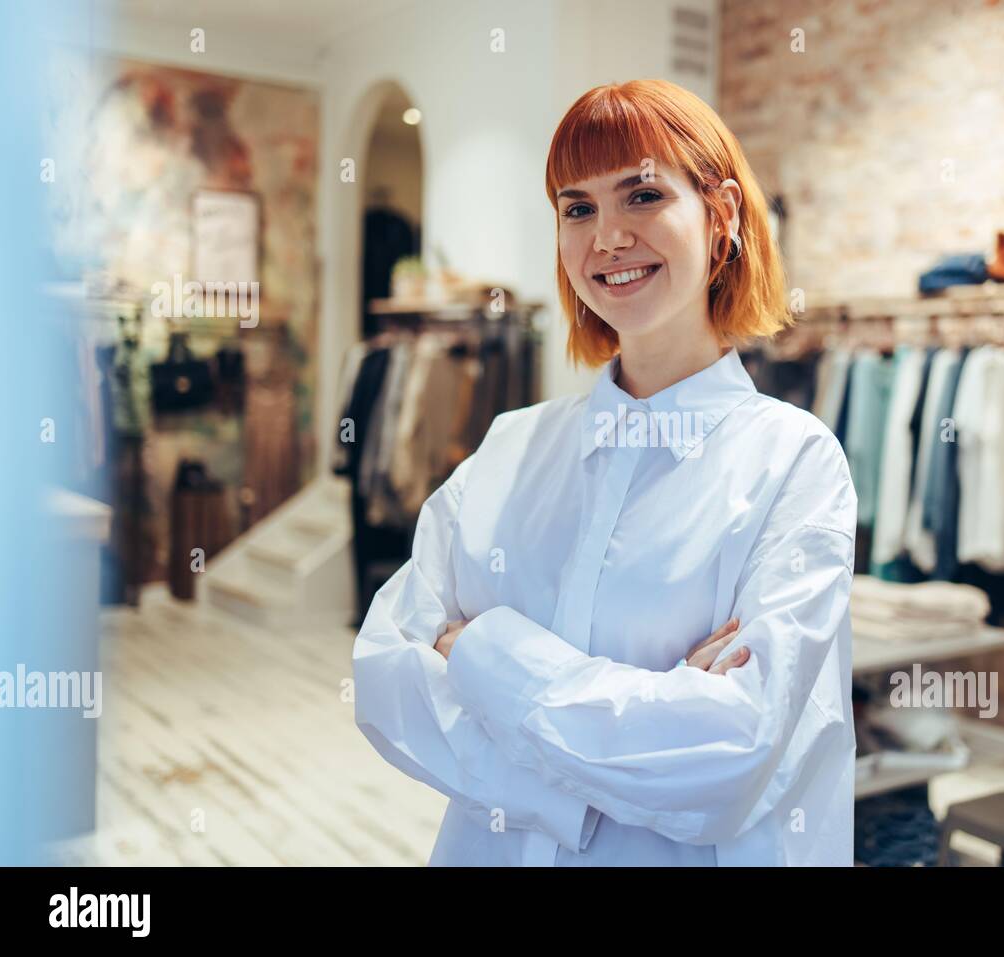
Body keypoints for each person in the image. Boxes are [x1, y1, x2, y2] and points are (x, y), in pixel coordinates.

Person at [352, 79, 859, 866]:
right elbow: (387, 679)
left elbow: (726, 756)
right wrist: (617, 757)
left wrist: (484, 650)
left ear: (720, 215)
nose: (608, 237)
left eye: (643, 194)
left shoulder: (793, 461)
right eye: (577, 208)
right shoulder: (509, 449)